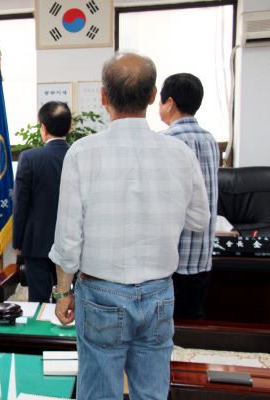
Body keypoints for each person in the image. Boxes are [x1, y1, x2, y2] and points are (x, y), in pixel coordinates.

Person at [49, 52, 210, 400]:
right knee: (151, 393)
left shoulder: (82, 152)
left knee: (99, 393)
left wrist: (63, 292)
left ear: (103, 96)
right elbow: (199, 219)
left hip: (100, 292)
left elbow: (68, 237)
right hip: (159, 293)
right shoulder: (180, 153)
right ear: (152, 96)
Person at [159, 73, 220, 320]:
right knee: (193, 324)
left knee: (166, 328)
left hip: (172, 258)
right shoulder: (210, 140)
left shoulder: (166, 141)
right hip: (202, 256)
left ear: (170, 103)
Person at [13, 101, 71, 302]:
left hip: (36, 242)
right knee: (67, 298)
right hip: (71, 242)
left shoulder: (30, 158)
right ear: (70, 127)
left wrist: (18, 241)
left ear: (43, 128)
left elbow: (20, 204)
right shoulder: (78, 155)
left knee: (38, 300)